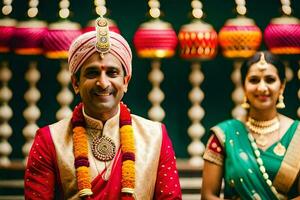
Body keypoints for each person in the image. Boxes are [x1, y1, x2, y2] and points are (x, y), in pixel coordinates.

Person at [24, 17, 182, 200]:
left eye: (112, 73)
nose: (103, 82)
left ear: (125, 81)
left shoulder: (155, 137)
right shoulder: (49, 140)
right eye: (92, 73)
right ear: (76, 82)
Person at [201, 50, 300, 200]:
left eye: (270, 79)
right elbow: (208, 196)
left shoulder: (297, 135)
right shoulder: (224, 134)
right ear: (243, 86)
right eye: (254, 80)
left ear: (282, 86)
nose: (262, 87)